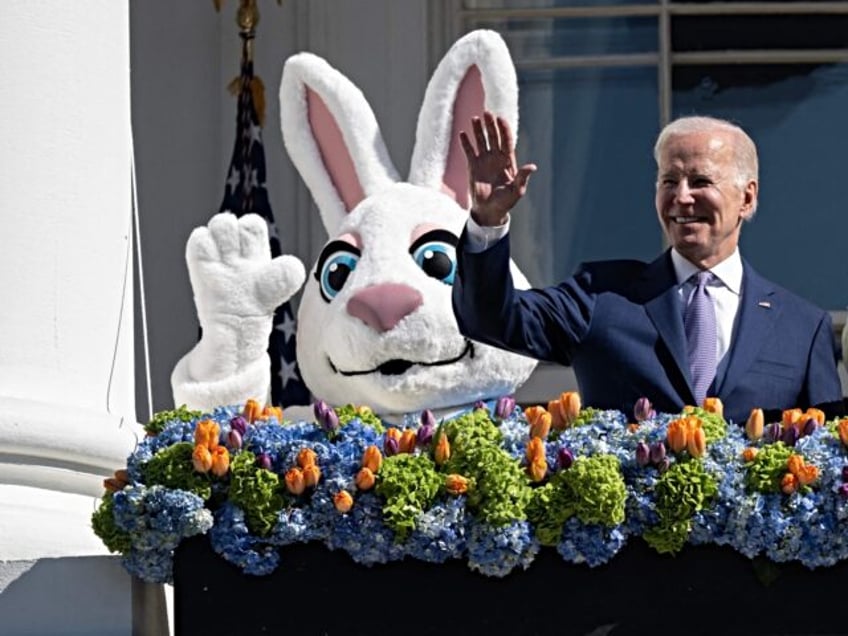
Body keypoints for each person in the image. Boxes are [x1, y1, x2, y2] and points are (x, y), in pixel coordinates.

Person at [451, 111, 845, 424]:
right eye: (669, 181)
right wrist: (488, 220)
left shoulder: (802, 327)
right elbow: (489, 319)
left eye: (700, 180)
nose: (682, 197)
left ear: (747, 197)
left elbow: (829, 457)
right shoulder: (601, 295)